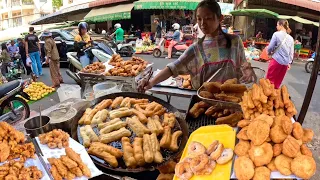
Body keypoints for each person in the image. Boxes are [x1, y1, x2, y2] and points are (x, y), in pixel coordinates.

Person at [142, 0, 253, 91]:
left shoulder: (234, 41)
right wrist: (151, 82)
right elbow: (173, 68)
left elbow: (243, 64)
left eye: (208, 18)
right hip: (205, 104)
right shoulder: (196, 49)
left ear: (220, 18)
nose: (202, 24)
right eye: (199, 19)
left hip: (232, 103)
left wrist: (248, 70)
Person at [266, 19, 294, 89]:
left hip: (276, 61)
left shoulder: (276, 34)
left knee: (269, 82)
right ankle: (274, 98)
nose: (276, 26)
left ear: (281, 25)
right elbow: (291, 52)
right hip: (285, 64)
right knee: (277, 83)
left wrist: (269, 53)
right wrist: (289, 63)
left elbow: (270, 47)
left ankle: (267, 98)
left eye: (277, 25)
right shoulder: (291, 38)